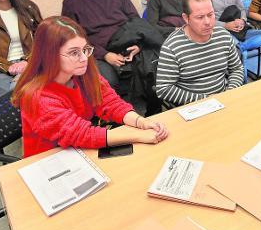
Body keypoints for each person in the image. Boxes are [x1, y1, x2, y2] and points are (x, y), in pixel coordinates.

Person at [12, 16, 168, 158]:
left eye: (85, 50)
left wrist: (140, 122)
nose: (84, 58)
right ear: (49, 55)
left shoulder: (81, 74)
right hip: (48, 160)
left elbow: (110, 103)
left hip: (77, 151)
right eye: (74, 53)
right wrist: (138, 135)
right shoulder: (37, 96)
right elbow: (82, 134)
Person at [61, 0, 140, 93]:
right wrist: (105, 55)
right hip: (97, 54)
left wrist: (138, 45)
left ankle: (156, 113)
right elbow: (73, 40)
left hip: (128, 46)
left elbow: (136, 22)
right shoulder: (72, 2)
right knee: (108, 81)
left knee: (156, 66)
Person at [155, 0, 244, 108]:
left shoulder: (223, 35)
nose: (208, 22)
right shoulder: (172, 46)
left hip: (224, 100)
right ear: (186, 18)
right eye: (200, 17)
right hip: (193, 107)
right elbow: (163, 88)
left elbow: (237, 68)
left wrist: (229, 92)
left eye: (210, 15)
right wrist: (205, 100)